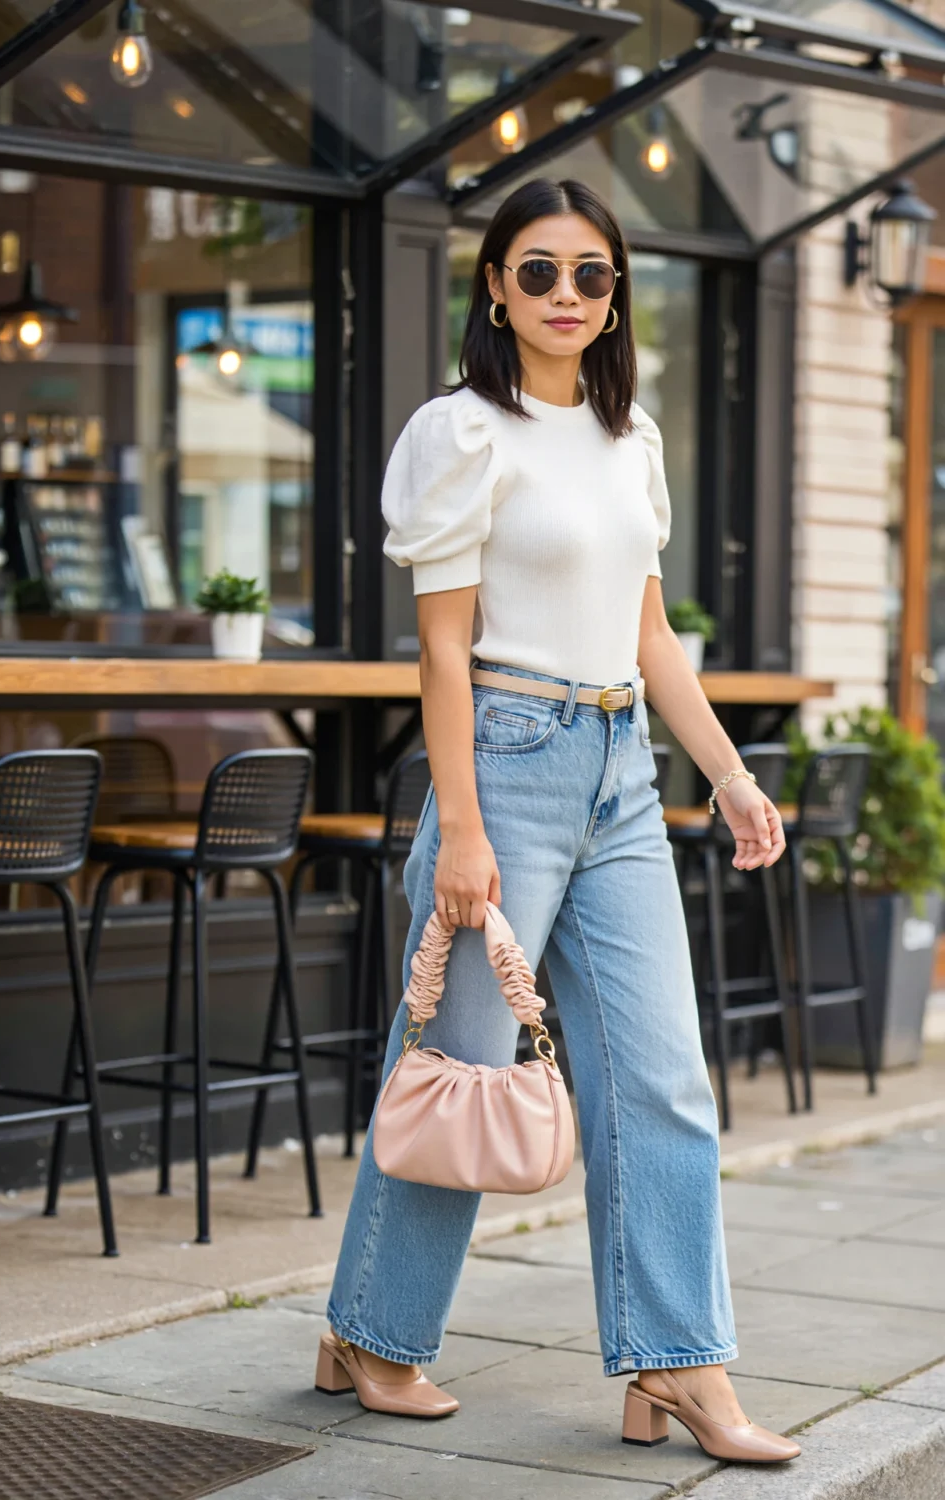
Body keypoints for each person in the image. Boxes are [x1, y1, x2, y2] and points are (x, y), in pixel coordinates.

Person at [312, 177, 800, 1465]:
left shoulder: (629, 436)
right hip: (508, 760)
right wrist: (461, 827)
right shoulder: (460, 433)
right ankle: (372, 1330)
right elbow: (443, 651)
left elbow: (652, 637)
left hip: (623, 766)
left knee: (665, 1078)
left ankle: (677, 1365)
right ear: (495, 288)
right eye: (540, 273)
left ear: (616, 290)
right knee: (464, 1072)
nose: (569, 296)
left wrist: (730, 774)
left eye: (592, 274)